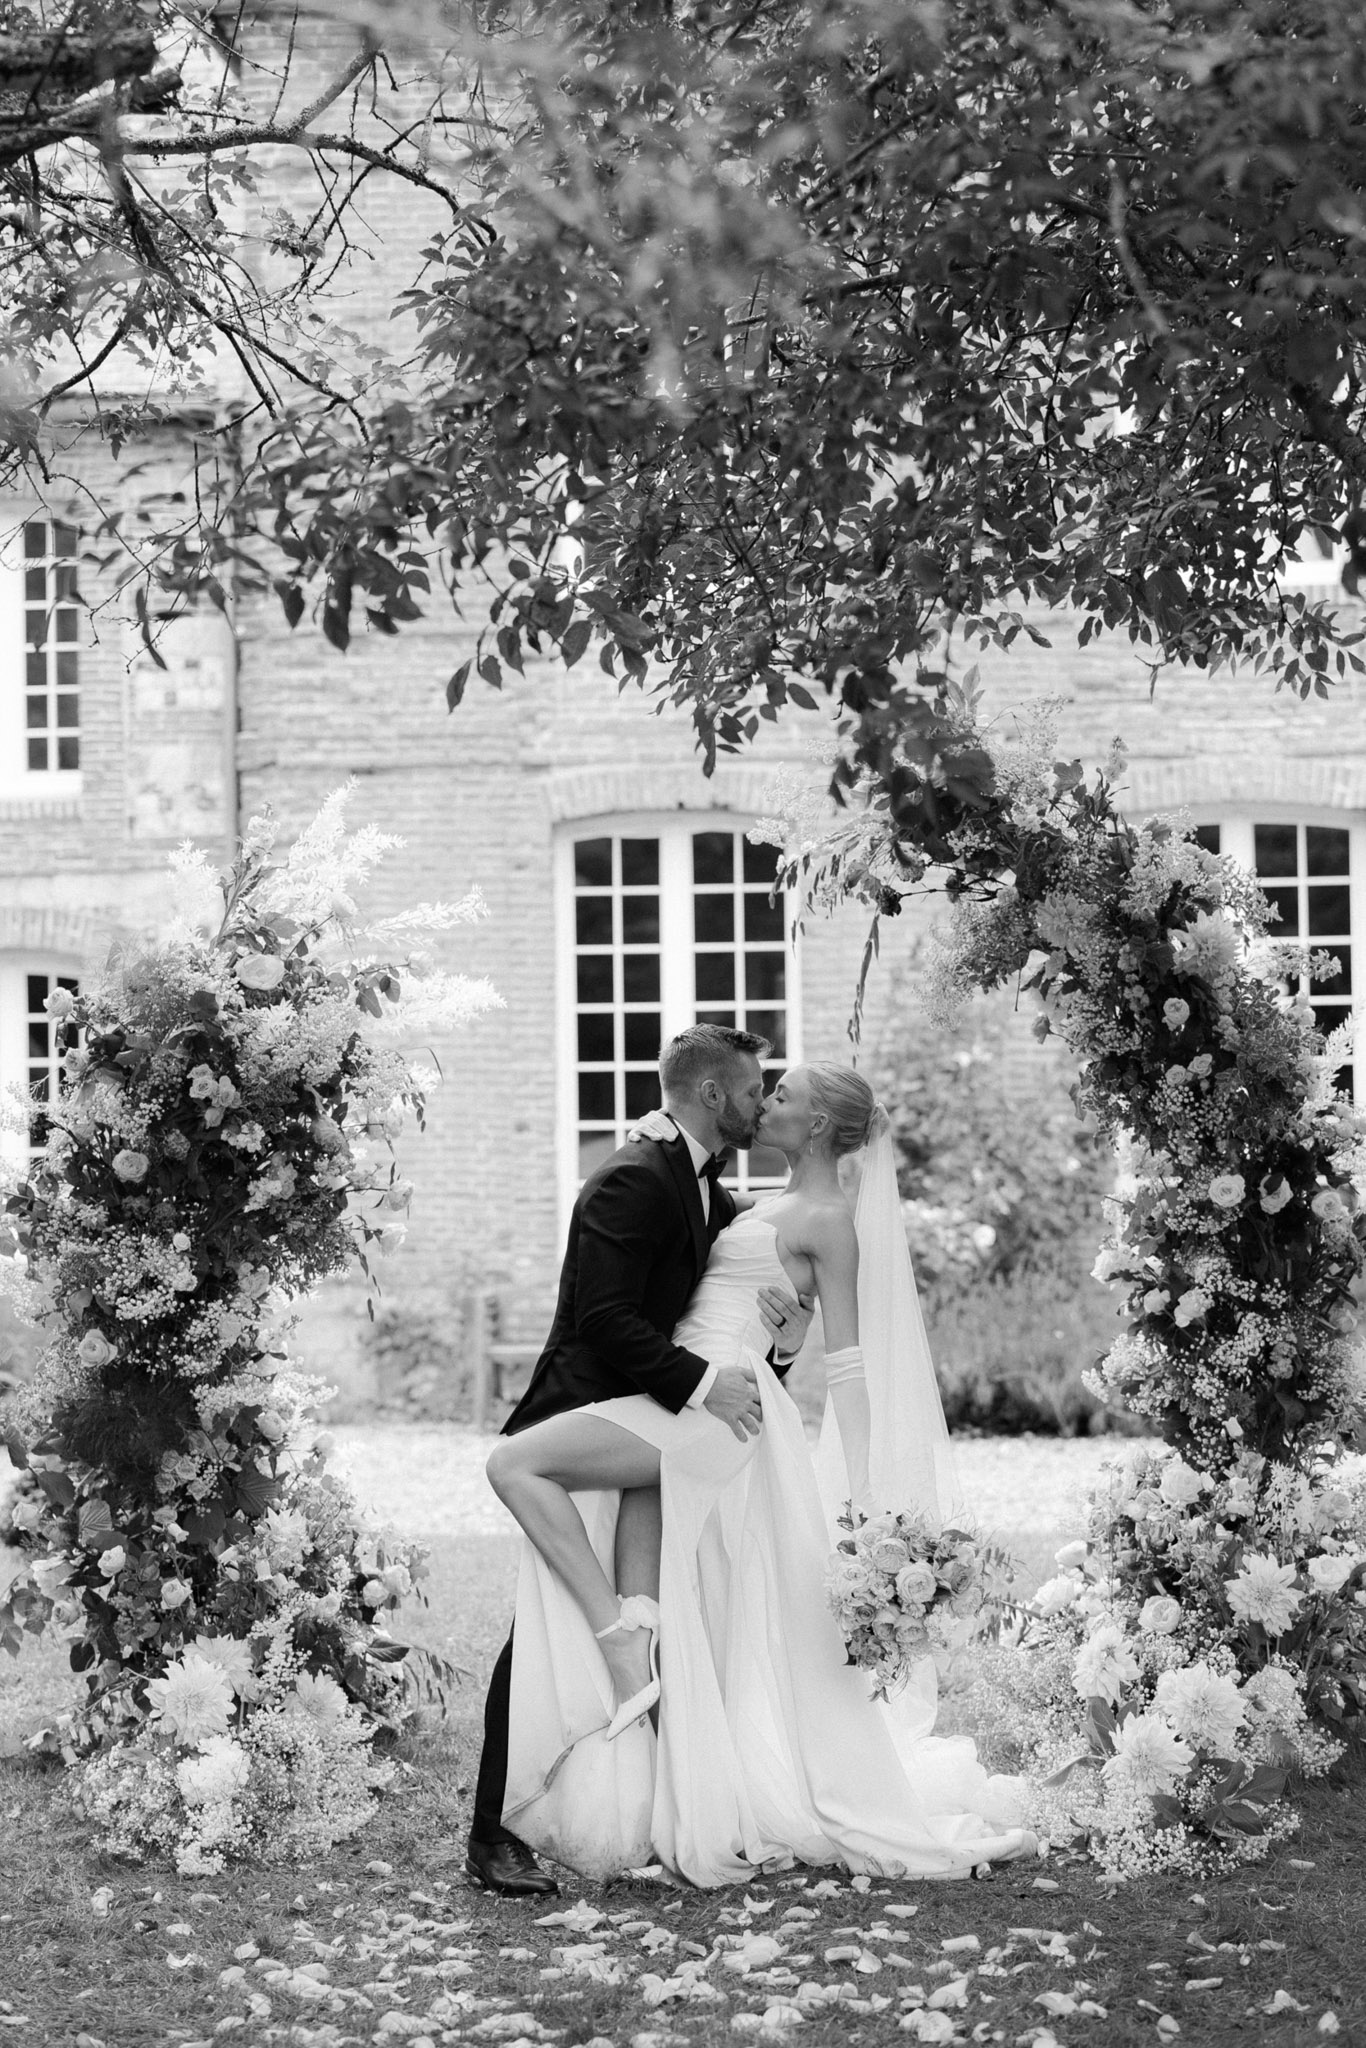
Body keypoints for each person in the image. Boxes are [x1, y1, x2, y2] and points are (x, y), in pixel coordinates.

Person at [487, 1061, 1035, 1885]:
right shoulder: (750, 1205)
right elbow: (739, 1299)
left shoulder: (829, 1220)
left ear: (816, 1126)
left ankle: (618, 1640)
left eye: (782, 1096)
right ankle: (684, 1814)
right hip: (688, 1395)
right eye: (762, 1090)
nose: (766, 1103)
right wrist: (779, 1339)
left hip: (711, 1413)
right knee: (681, 1613)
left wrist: (868, 1494)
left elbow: (849, 1365)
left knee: (518, 1464)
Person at [463, 1025, 815, 1896]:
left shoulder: (704, 1184)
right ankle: (489, 1838)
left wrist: (775, 1353)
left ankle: (636, 1811)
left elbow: (717, 1309)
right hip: (587, 1415)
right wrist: (703, 1385)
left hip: (650, 1419)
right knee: (537, 1637)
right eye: (751, 1089)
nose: (760, 1102)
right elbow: (605, 1322)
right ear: (708, 1094)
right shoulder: (633, 1178)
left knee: (647, 1617)